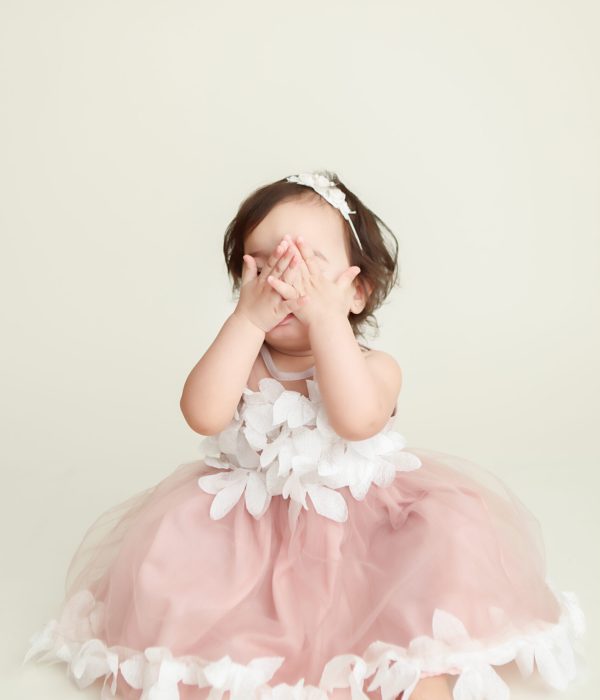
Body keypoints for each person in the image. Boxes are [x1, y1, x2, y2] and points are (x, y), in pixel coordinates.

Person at [23, 171, 587, 699]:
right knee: (185, 590)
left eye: (309, 266)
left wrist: (324, 323)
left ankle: (418, 674)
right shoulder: (244, 354)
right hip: (249, 529)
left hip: (365, 529)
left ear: (357, 291)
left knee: (435, 563)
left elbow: (355, 419)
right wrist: (246, 322)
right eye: (265, 265)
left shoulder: (376, 366)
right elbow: (202, 413)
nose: (287, 282)